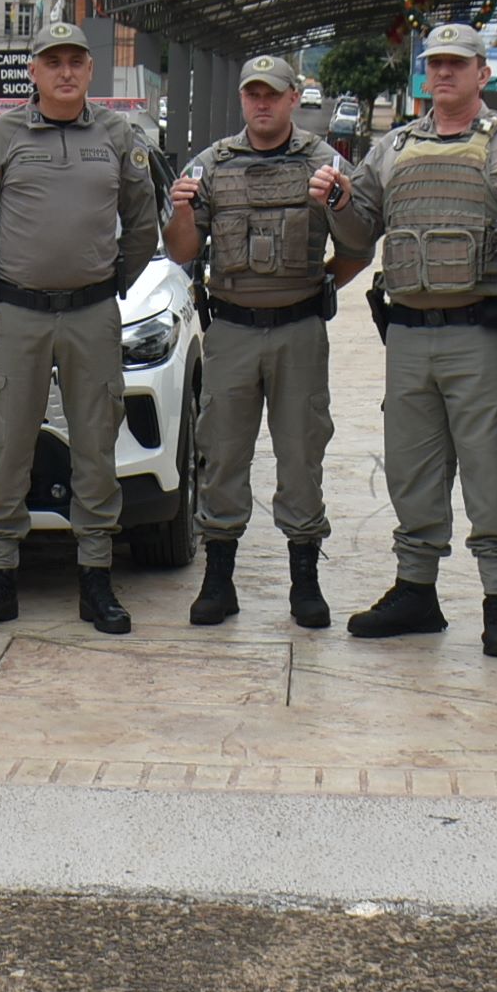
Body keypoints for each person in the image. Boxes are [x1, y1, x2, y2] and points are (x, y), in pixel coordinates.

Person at [319, 22, 497, 656]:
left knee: (490, 471)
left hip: (485, 334)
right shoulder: (393, 148)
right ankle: (416, 591)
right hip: (409, 336)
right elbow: (360, 232)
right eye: (435, 63)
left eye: (457, 63)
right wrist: (338, 202)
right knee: (411, 469)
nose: (443, 73)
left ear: (483, 73)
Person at [0, 21, 161, 635]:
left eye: (75, 61)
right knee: (7, 444)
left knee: (96, 444)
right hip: (19, 315)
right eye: (53, 62)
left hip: (92, 315)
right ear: (35, 71)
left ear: (90, 70)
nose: (65, 72)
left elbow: (141, 218)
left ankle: (95, 578)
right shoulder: (3, 136)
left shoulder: (118, 135)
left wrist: (111, 280)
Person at [163, 53, 361, 628]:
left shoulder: (326, 162)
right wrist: (181, 210)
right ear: (243, 100)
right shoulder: (210, 165)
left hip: (299, 331)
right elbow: (181, 250)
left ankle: (305, 580)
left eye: (274, 94)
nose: (263, 103)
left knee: (301, 454)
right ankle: (218, 579)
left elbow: (358, 243)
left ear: (294, 98)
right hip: (231, 331)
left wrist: (327, 267)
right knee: (222, 452)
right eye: (254, 94)